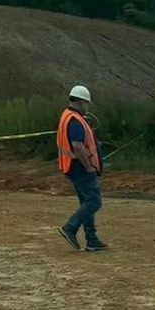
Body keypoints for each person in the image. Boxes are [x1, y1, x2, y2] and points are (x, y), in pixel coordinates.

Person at [57, 83, 108, 252]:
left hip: (72, 167)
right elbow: (77, 146)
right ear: (81, 102)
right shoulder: (75, 120)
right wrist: (88, 166)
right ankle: (70, 228)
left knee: (86, 202)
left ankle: (91, 239)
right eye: (86, 103)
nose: (87, 107)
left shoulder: (67, 116)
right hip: (80, 167)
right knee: (94, 201)